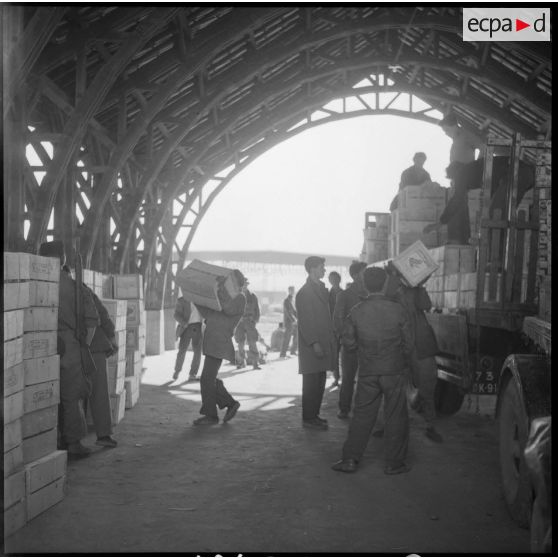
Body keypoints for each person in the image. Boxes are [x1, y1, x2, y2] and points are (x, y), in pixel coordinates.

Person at [332, 267, 413, 475]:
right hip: (393, 370)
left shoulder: (357, 311)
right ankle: (394, 463)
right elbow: (409, 344)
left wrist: (363, 350)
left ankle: (350, 459)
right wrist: (401, 360)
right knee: (396, 415)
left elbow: (348, 343)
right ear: (385, 283)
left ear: (365, 284)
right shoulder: (398, 310)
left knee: (362, 416)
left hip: (368, 371)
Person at [39, 241, 100, 459]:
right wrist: (83, 344)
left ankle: (47, 440)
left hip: (40, 345)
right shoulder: (75, 287)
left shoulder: (36, 283)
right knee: (72, 396)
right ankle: (73, 442)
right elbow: (93, 320)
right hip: (71, 345)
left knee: (42, 394)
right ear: (63, 259)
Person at [193, 270, 246, 425]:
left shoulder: (240, 298)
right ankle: (230, 404)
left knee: (207, 379)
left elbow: (227, 308)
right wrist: (197, 299)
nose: (225, 283)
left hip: (220, 341)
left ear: (236, 282)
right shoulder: (225, 297)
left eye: (229, 280)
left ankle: (211, 415)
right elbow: (208, 313)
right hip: (212, 340)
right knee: (209, 378)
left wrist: (219, 290)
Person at [396, 278, 443, 444]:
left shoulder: (417, 291)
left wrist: (419, 286)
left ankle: (430, 425)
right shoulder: (393, 288)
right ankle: (391, 425)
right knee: (394, 388)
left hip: (420, 345)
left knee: (428, 386)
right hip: (399, 344)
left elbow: (426, 305)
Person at [296, 256, 337, 430]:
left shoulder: (320, 290)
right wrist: (314, 343)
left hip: (322, 342)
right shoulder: (305, 292)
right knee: (311, 383)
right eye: (322, 267)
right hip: (313, 345)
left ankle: (314, 415)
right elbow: (305, 321)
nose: (324, 270)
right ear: (313, 269)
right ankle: (308, 418)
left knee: (319, 382)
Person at [333, 260, 367, 419]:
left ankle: (363, 410)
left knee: (367, 380)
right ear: (355, 275)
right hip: (351, 346)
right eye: (363, 272)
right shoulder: (344, 295)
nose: (365, 275)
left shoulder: (370, 294)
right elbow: (338, 321)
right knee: (348, 378)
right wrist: (349, 341)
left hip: (368, 345)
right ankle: (344, 408)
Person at [86, 288, 119, 448]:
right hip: (94, 347)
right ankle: (103, 434)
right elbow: (102, 314)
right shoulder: (80, 287)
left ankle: (71, 440)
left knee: (72, 395)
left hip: (69, 348)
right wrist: (112, 338)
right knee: (99, 391)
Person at [173, 293, 203, 382]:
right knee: (182, 350)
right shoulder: (181, 300)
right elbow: (176, 315)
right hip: (186, 327)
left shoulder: (200, 299)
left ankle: (192, 374)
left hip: (198, 326)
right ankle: (177, 371)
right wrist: (184, 323)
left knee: (197, 352)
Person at [234, 279, 262, 370]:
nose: (244, 286)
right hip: (239, 322)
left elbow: (257, 310)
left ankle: (255, 362)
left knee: (252, 342)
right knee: (240, 343)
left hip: (249, 322)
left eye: (245, 284)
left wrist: (254, 320)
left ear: (247, 285)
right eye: (242, 284)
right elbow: (233, 309)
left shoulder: (253, 296)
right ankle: (242, 362)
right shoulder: (236, 296)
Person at [328, 271, 342, 387]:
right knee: (334, 355)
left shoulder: (344, 293)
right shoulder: (328, 294)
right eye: (331, 279)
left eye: (334, 278)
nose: (332, 281)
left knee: (346, 355)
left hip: (344, 328)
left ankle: (347, 377)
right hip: (332, 328)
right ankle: (336, 378)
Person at [279, 286, 298, 358]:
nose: (292, 291)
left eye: (293, 290)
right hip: (288, 322)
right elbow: (288, 312)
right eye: (291, 290)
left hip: (294, 322)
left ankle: (293, 351)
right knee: (287, 338)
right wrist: (293, 320)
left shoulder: (293, 300)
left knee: (296, 337)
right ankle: (282, 353)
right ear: (288, 291)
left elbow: (294, 311)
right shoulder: (286, 300)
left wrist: (298, 319)